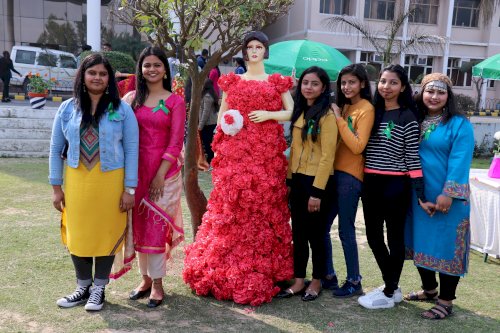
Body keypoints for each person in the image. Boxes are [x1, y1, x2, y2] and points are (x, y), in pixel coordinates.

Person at [183, 31, 295, 306]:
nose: (255, 51)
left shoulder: (276, 81)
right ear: (244, 52)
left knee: (263, 203)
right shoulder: (233, 81)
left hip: (266, 152)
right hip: (236, 150)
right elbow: (222, 115)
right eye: (250, 47)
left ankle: (267, 266)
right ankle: (224, 261)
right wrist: (224, 136)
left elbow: (290, 111)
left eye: (259, 46)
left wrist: (269, 115)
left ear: (265, 51)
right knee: (232, 205)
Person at [49, 53, 139, 311]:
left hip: (111, 181)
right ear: (83, 76)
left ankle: (98, 288)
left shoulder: (122, 109)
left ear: (109, 78)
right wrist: (57, 188)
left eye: (102, 73)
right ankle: (82, 287)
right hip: (77, 181)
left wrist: (129, 188)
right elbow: (56, 149)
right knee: (78, 233)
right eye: (92, 73)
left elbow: (132, 150)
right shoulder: (67, 109)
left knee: (105, 232)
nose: (97, 77)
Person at [357, 64, 432, 309]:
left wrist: (420, 193)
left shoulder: (407, 117)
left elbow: (412, 157)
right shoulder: (373, 112)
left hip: (395, 185)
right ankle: (392, 286)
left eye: (393, 83)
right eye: (382, 81)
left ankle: (389, 291)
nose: (386, 87)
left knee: (395, 238)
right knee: (373, 236)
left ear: (402, 88)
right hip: (370, 183)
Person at [404, 73, 474, 319]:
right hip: (419, 198)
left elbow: (460, 160)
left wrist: (448, 193)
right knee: (419, 243)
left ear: (448, 96)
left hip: (447, 200)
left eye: (440, 92)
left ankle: (445, 301)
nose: (434, 97)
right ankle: (430, 290)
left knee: (446, 247)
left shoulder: (459, 124)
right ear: (421, 93)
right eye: (429, 91)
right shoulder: (415, 119)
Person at [122, 46, 186, 308]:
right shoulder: (131, 99)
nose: (151, 69)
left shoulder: (175, 101)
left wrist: (160, 175)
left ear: (165, 69)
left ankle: (158, 285)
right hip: (135, 174)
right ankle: (145, 279)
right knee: (138, 227)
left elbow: (175, 142)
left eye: (157, 65)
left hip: (165, 175)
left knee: (156, 228)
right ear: (141, 68)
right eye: (147, 65)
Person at [277, 66, 338, 302]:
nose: (308, 87)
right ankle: (299, 280)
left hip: (317, 183)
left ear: (323, 88)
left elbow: (327, 156)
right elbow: (294, 150)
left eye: (314, 83)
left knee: (316, 235)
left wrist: (317, 192)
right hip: (298, 180)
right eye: (305, 83)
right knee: (299, 234)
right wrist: (290, 180)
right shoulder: (300, 111)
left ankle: (316, 281)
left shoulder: (327, 116)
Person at [325, 64, 374, 297]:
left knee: (345, 229)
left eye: (352, 82)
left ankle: (354, 280)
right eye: (343, 82)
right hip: (332, 174)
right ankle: (328, 275)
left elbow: (357, 146)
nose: (346, 87)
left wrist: (338, 118)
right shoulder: (344, 108)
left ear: (362, 84)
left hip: (351, 177)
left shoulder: (366, 109)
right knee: (322, 227)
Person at [198, 78, 219, 165]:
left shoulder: (207, 96)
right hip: (210, 123)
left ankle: (210, 160)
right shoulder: (211, 94)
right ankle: (211, 160)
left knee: (208, 143)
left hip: (208, 124)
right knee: (209, 142)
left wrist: (200, 125)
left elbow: (205, 112)